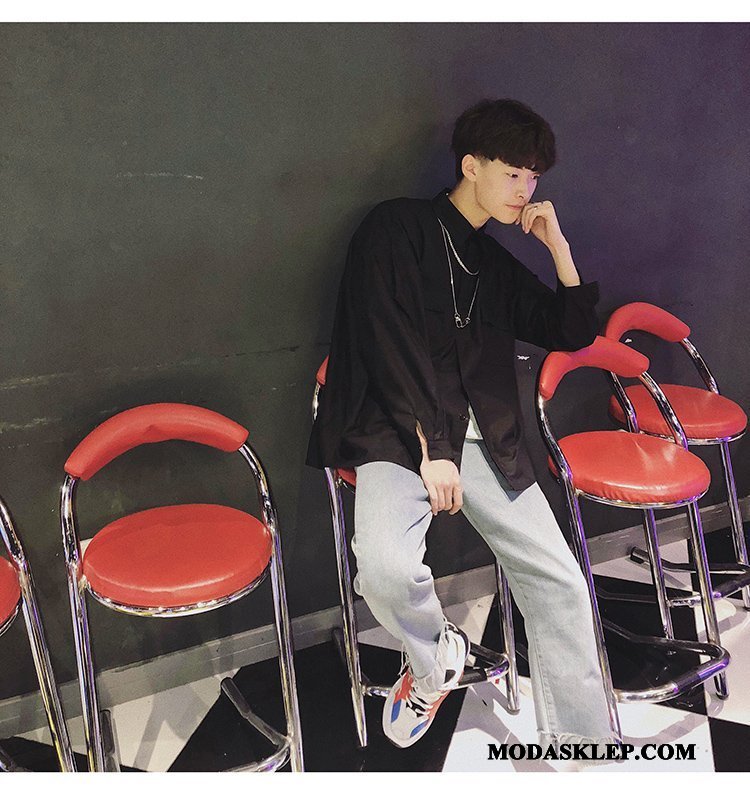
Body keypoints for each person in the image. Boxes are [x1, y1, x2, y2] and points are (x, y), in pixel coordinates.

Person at [307, 98, 616, 751]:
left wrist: (558, 247)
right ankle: (434, 662)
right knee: (386, 570)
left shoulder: (490, 262)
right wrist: (430, 445)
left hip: (483, 441)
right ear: (471, 166)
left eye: (534, 178)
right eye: (513, 173)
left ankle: (582, 745)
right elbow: (384, 342)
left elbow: (571, 330)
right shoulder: (394, 228)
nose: (524, 190)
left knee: (560, 579)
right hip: (399, 433)